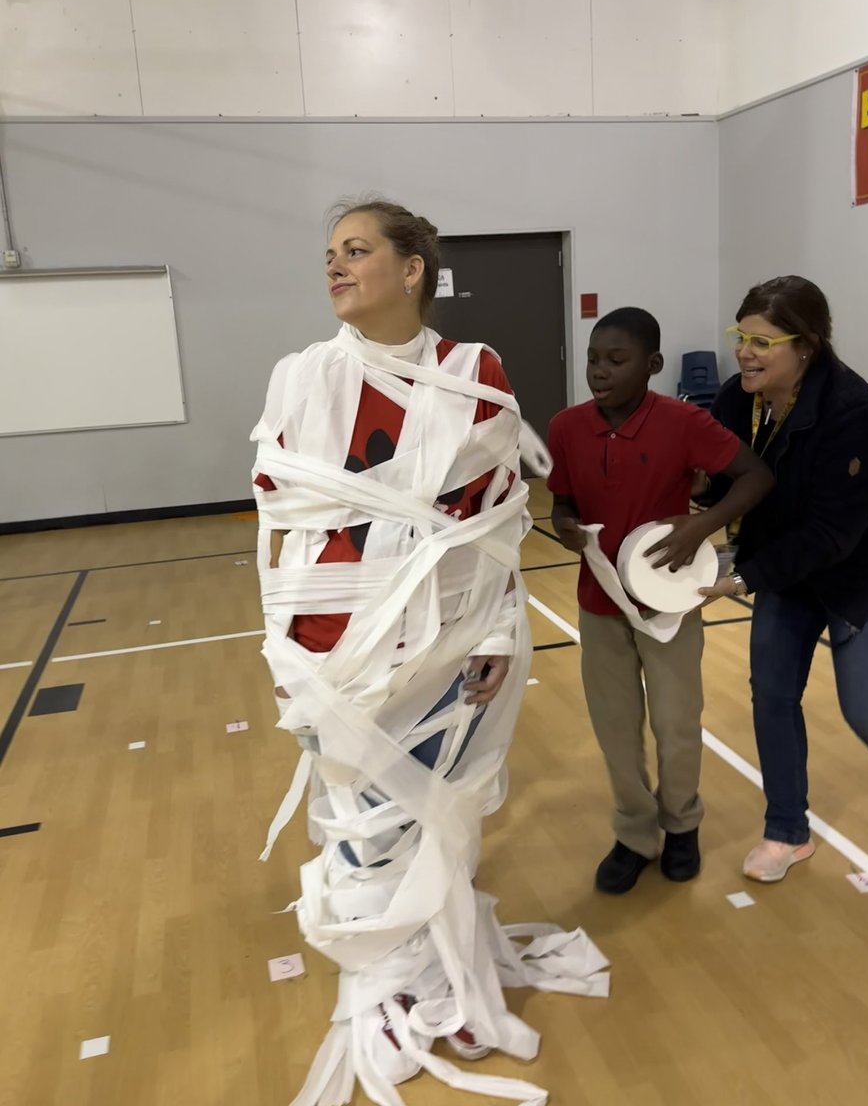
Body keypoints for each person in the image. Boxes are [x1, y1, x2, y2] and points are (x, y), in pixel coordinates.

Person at [251, 198, 610, 1106]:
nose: (335, 266)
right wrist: (294, 649)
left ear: (413, 269)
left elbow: (495, 517)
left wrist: (494, 631)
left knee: (431, 806)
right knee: (364, 824)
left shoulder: (471, 370)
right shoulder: (300, 377)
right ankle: (388, 975)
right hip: (336, 645)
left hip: (446, 643)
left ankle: (430, 969)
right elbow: (281, 515)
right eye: (329, 253)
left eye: (357, 251)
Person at [548, 308, 773, 895]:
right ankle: (633, 835)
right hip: (600, 604)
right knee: (616, 731)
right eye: (595, 358)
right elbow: (561, 504)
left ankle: (682, 826)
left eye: (616, 361)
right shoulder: (568, 428)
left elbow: (755, 476)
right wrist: (566, 525)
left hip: (670, 605)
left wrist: (704, 527)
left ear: (651, 366)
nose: (600, 371)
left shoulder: (683, 423)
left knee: (677, 725)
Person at [699, 276, 868, 883]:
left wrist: (742, 578)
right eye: (741, 337)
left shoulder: (853, 414)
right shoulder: (740, 397)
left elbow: (832, 535)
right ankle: (787, 830)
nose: (745, 353)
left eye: (763, 342)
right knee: (774, 694)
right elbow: (721, 474)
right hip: (787, 567)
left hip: (861, 572)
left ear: (806, 346)